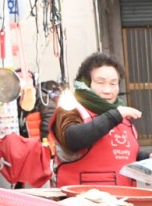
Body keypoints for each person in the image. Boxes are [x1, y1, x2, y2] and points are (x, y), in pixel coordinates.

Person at [53, 52, 145, 186]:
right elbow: (72, 138)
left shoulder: (122, 115)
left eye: (113, 84)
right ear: (86, 83)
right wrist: (115, 116)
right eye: (100, 83)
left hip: (123, 197)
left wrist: (148, 158)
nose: (107, 90)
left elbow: (125, 155)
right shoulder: (71, 109)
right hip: (82, 196)